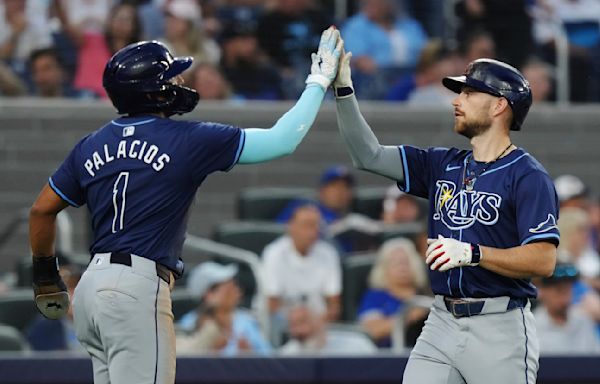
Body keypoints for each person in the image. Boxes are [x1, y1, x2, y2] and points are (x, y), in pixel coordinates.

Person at [28, 27, 342, 384]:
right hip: (136, 286)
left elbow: (41, 210)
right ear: (151, 90)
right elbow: (282, 140)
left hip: (90, 291)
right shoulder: (188, 138)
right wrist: (318, 81)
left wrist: (44, 274)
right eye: (169, 75)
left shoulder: (89, 144)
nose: (178, 80)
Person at [332, 40, 559, 382]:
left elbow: (543, 260)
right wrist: (344, 90)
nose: (457, 100)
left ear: (499, 105)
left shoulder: (527, 176)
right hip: (440, 320)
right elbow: (369, 155)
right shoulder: (442, 164)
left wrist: (472, 253)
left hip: (500, 328)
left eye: (469, 93)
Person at [262, 204, 342, 324]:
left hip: (319, 325)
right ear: (291, 226)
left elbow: (334, 305)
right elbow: (272, 305)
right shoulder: (273, 254)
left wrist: (316, 325)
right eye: (307, 226)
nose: (313, 232)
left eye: (316, 226)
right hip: (282, 326)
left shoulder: (329, 253)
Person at [176, 262, 271, 356]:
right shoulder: (189, 322)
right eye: (228, 289)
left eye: (235, 286)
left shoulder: (247, 322)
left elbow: (270, 359)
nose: (237, 292)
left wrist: (250, 355)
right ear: (209, 294)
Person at [357, 238, 430, 348]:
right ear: (383, 268)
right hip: (390, 355)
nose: (402, 267)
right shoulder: (375, 297)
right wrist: (408, 317)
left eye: (406, 262)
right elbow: (373, 330)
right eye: (395, 263)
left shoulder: (427, 294)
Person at [533, 263, 600, 354]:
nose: (565, 297)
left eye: (568, 289)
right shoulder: (533, 326)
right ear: (543, 292)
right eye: (559, 290)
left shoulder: (583, 321)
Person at [279, 304, 377, 355]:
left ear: (320, 320)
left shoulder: (357, 345)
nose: (299, 330)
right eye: (293, 325)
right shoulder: (286, 356)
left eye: (303, 321)